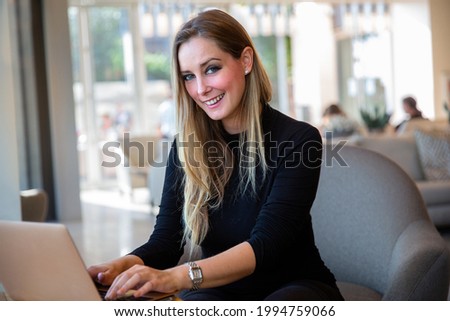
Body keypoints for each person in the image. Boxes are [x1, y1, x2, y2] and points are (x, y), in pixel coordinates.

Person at [88, 9, 343, 301]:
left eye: (211, 68)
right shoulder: (186, 147)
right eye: (188, 76)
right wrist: (120, 266)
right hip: (220, 291)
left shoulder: (299, 140)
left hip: (294, 286)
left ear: (245, 61)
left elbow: (266, 245)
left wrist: (176, 276)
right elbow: (166, 242)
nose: (200, 89)